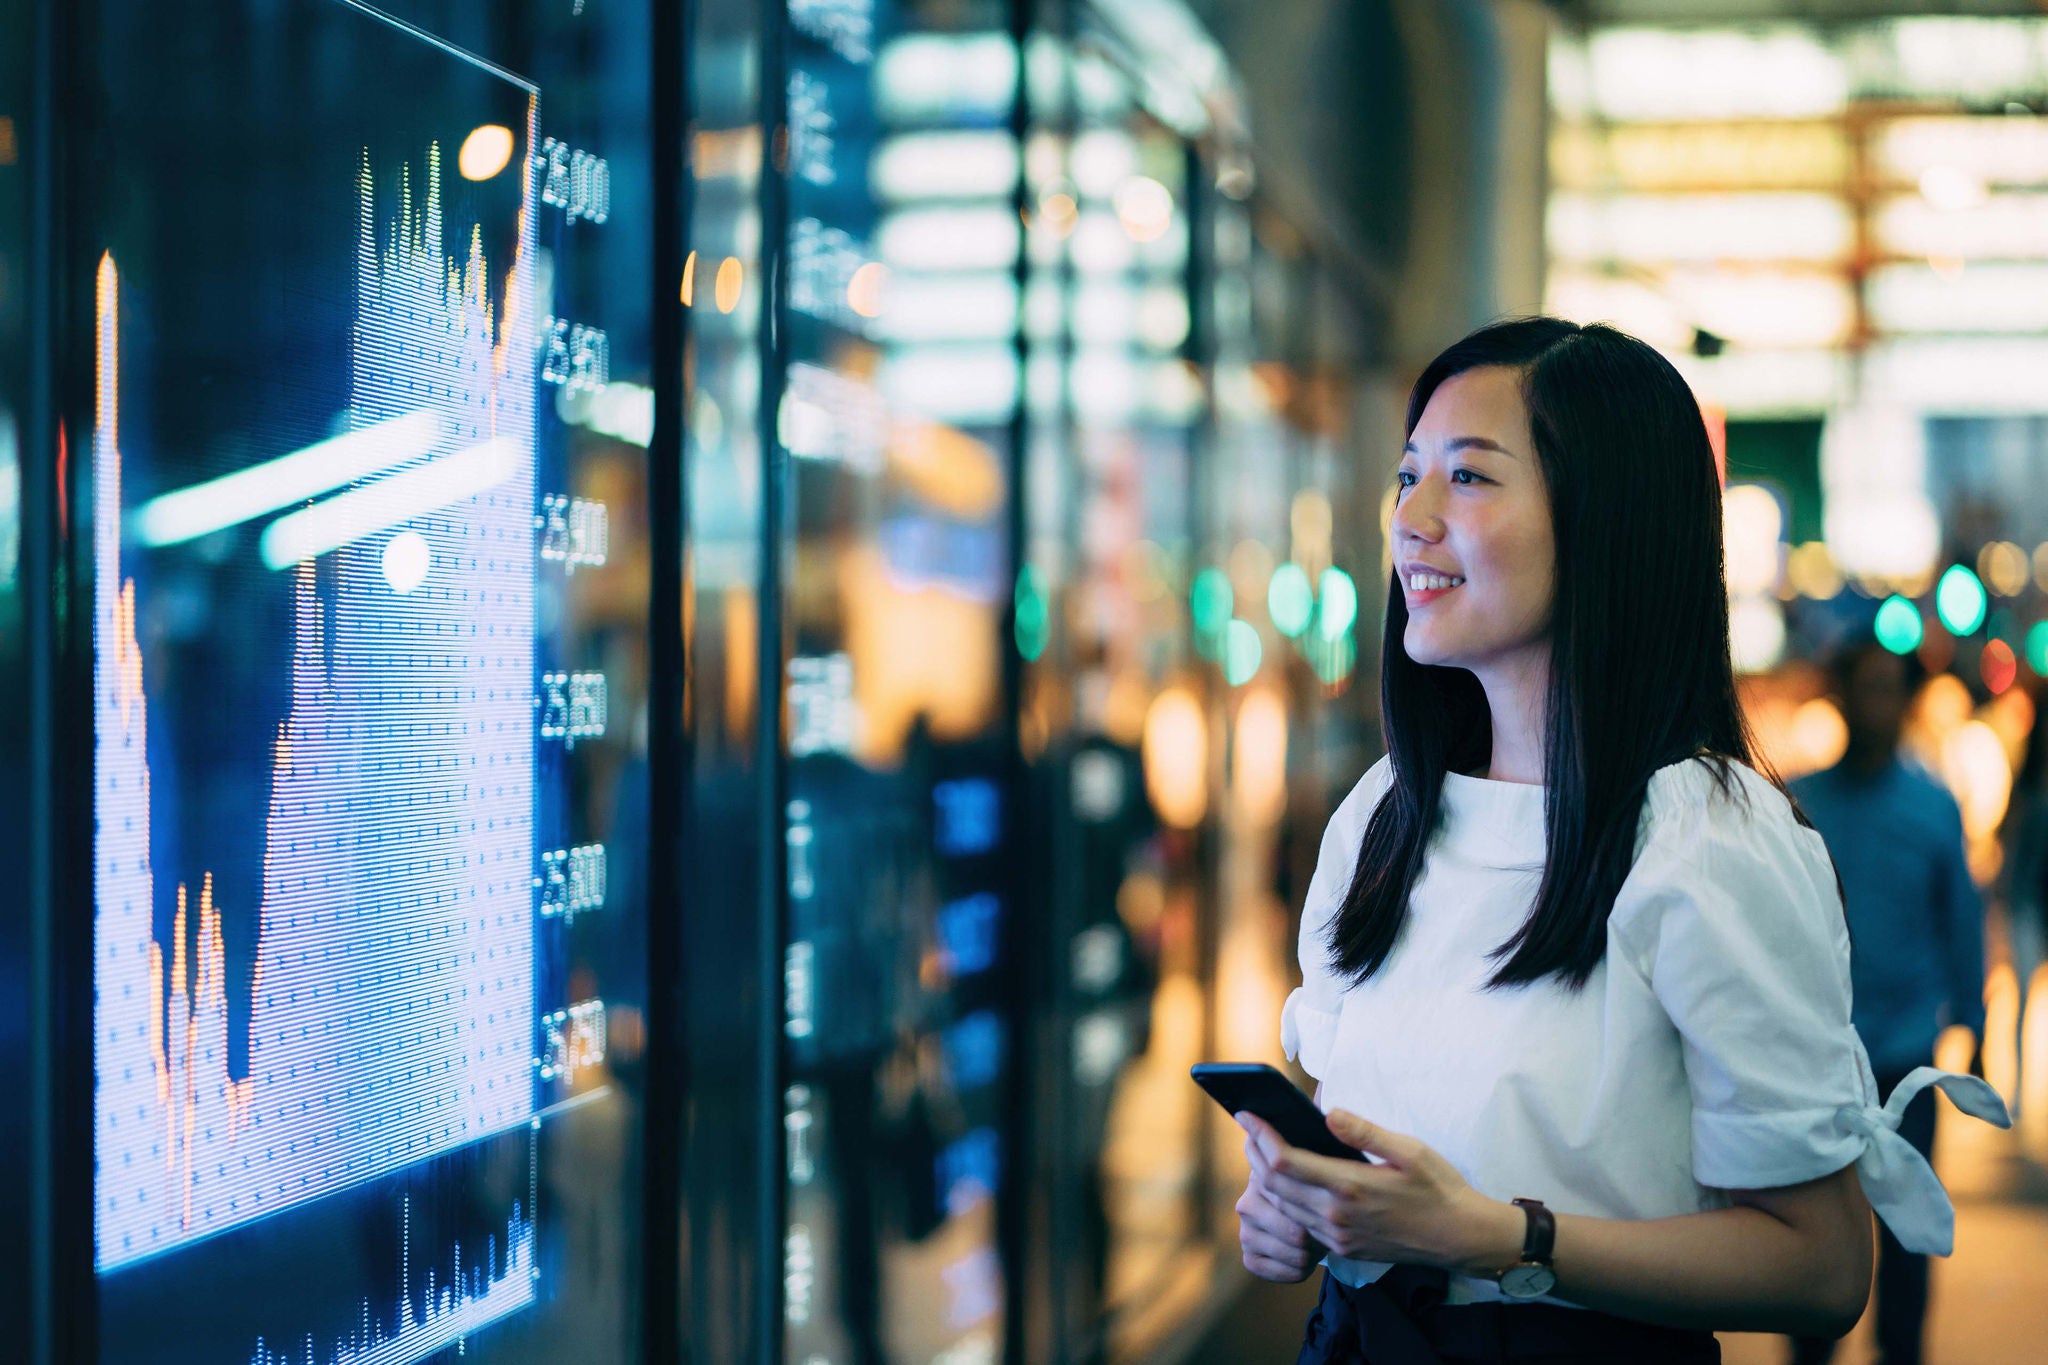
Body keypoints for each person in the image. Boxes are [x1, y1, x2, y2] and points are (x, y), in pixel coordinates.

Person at [1230, 317, 2010, 1365]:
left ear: (1603, 520)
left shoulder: (1705, 837)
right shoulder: (1383, 814)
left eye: (1465, 478)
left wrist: (1500, 1236)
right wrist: (1291, 1216)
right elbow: (1353, 1145)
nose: (1409, 518)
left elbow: (1822, 1269)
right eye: (1407, 474)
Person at [1788, 642, 1986, 1365]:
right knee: (1811, 1246)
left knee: (1905, 1247)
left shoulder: (1932, 806)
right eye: (1863, 687)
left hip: (1903, 1066)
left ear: (1905, 700)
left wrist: (1975, 1021)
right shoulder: (1801, 800)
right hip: (1820, 1066)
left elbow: (1961, 921)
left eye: (1887, 689)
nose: (1876, 704)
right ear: (1839, 696)